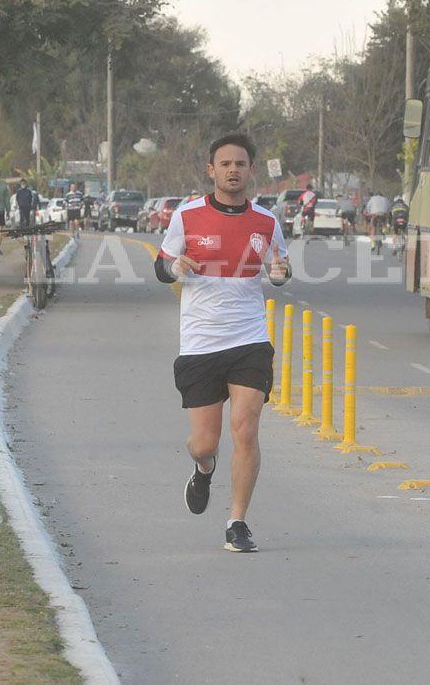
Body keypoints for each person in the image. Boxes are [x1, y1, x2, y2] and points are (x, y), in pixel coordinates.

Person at [155, 132, 290, 553]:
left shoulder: (266, 222)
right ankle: (203, 467)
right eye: (226, 164)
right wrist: (174, 266)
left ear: (251, 171)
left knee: (245, 429)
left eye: (241, 164)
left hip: (250, 338)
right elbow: (160, 268)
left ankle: (237, 522)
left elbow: (279, 269)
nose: (234, 170)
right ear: (211, 170)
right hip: (200, 342)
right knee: (205, 441)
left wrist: (281, 275)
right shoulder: (188, 216)